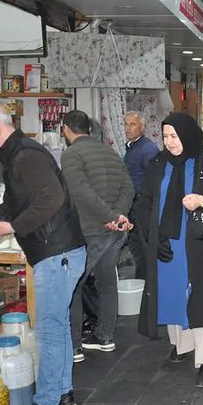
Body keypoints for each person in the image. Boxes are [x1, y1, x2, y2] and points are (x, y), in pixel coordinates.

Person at [0, 103, 86, 405]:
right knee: (56, 325)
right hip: (58, 251)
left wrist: (12, 227)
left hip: (58, 253)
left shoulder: (26, 155)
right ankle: (63, 392)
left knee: (49, 329)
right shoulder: (14, 156)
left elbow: (51, 199)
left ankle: (48, 403)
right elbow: (13, 206)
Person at [131, 113, 203, 388]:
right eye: (165, 136)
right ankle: (182, 345)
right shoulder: (158, 164)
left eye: (174, 136)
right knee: (172, 294)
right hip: (169, 243)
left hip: (202, 243)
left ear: (187, 134)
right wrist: (152, 236)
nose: (169, 142)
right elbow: (144, 202)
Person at [60, 110, 134, 361]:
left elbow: (81, 192)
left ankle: (75, 346)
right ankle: (106, 337)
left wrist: (111, 217)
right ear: (90, 130)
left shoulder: (71, 154)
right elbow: (128, 186)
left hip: (89, 231)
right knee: (106, 283)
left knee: (74, 287)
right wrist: (118, 215)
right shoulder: (110, 152)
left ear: (66, 129)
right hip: (113, 232)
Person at [123, 111, 159, 280]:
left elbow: (155, 180)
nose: (128, 128)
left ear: (142, 127)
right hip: (133, 206)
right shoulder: (132, 148)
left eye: (133, 124)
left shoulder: (147, 149)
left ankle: (148, 287)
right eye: (126, 124)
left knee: (146, 250)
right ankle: (142, 284)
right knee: (137, 250)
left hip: (142, 207)